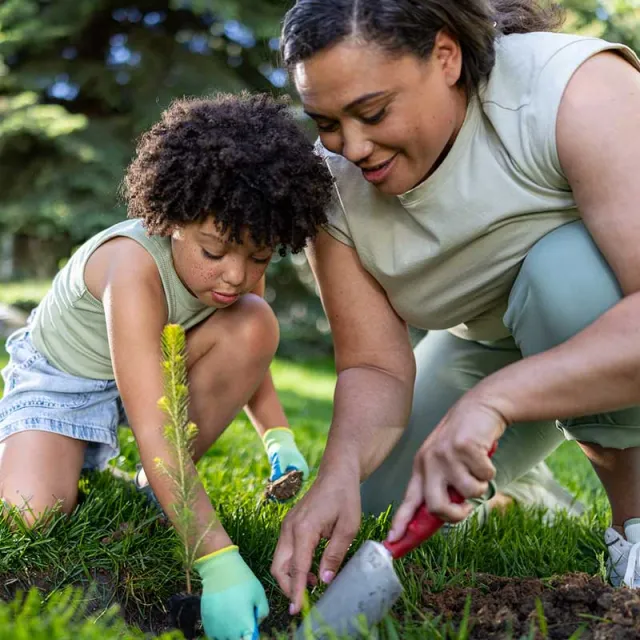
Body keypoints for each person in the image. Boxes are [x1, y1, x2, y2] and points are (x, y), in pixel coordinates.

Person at [270, 0, 640, 617]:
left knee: (563, 278)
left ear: (445, 56)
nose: (352, 146)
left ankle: (634, 527)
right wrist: (337, 470)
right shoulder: (331, 183)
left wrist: (492, 402)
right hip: (489, 341)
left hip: (603, 317)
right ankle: (517, 490)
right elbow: (375, 367)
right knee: (379, 506)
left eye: (372, 111)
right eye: (327, 121)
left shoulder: (574, 88)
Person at [0, 92, 333, 639]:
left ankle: (157, 489)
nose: (233, 276)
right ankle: (63, 454)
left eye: (258, 258)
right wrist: (215, 557)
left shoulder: (239, 263)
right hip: (63, 383)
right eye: (214, 251)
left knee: (256, 319)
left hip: (160, 363)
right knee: (30, 517)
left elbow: (249, 351)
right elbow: (156, 423)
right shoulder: (130, 267)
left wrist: (277, 436)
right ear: (173, 219)